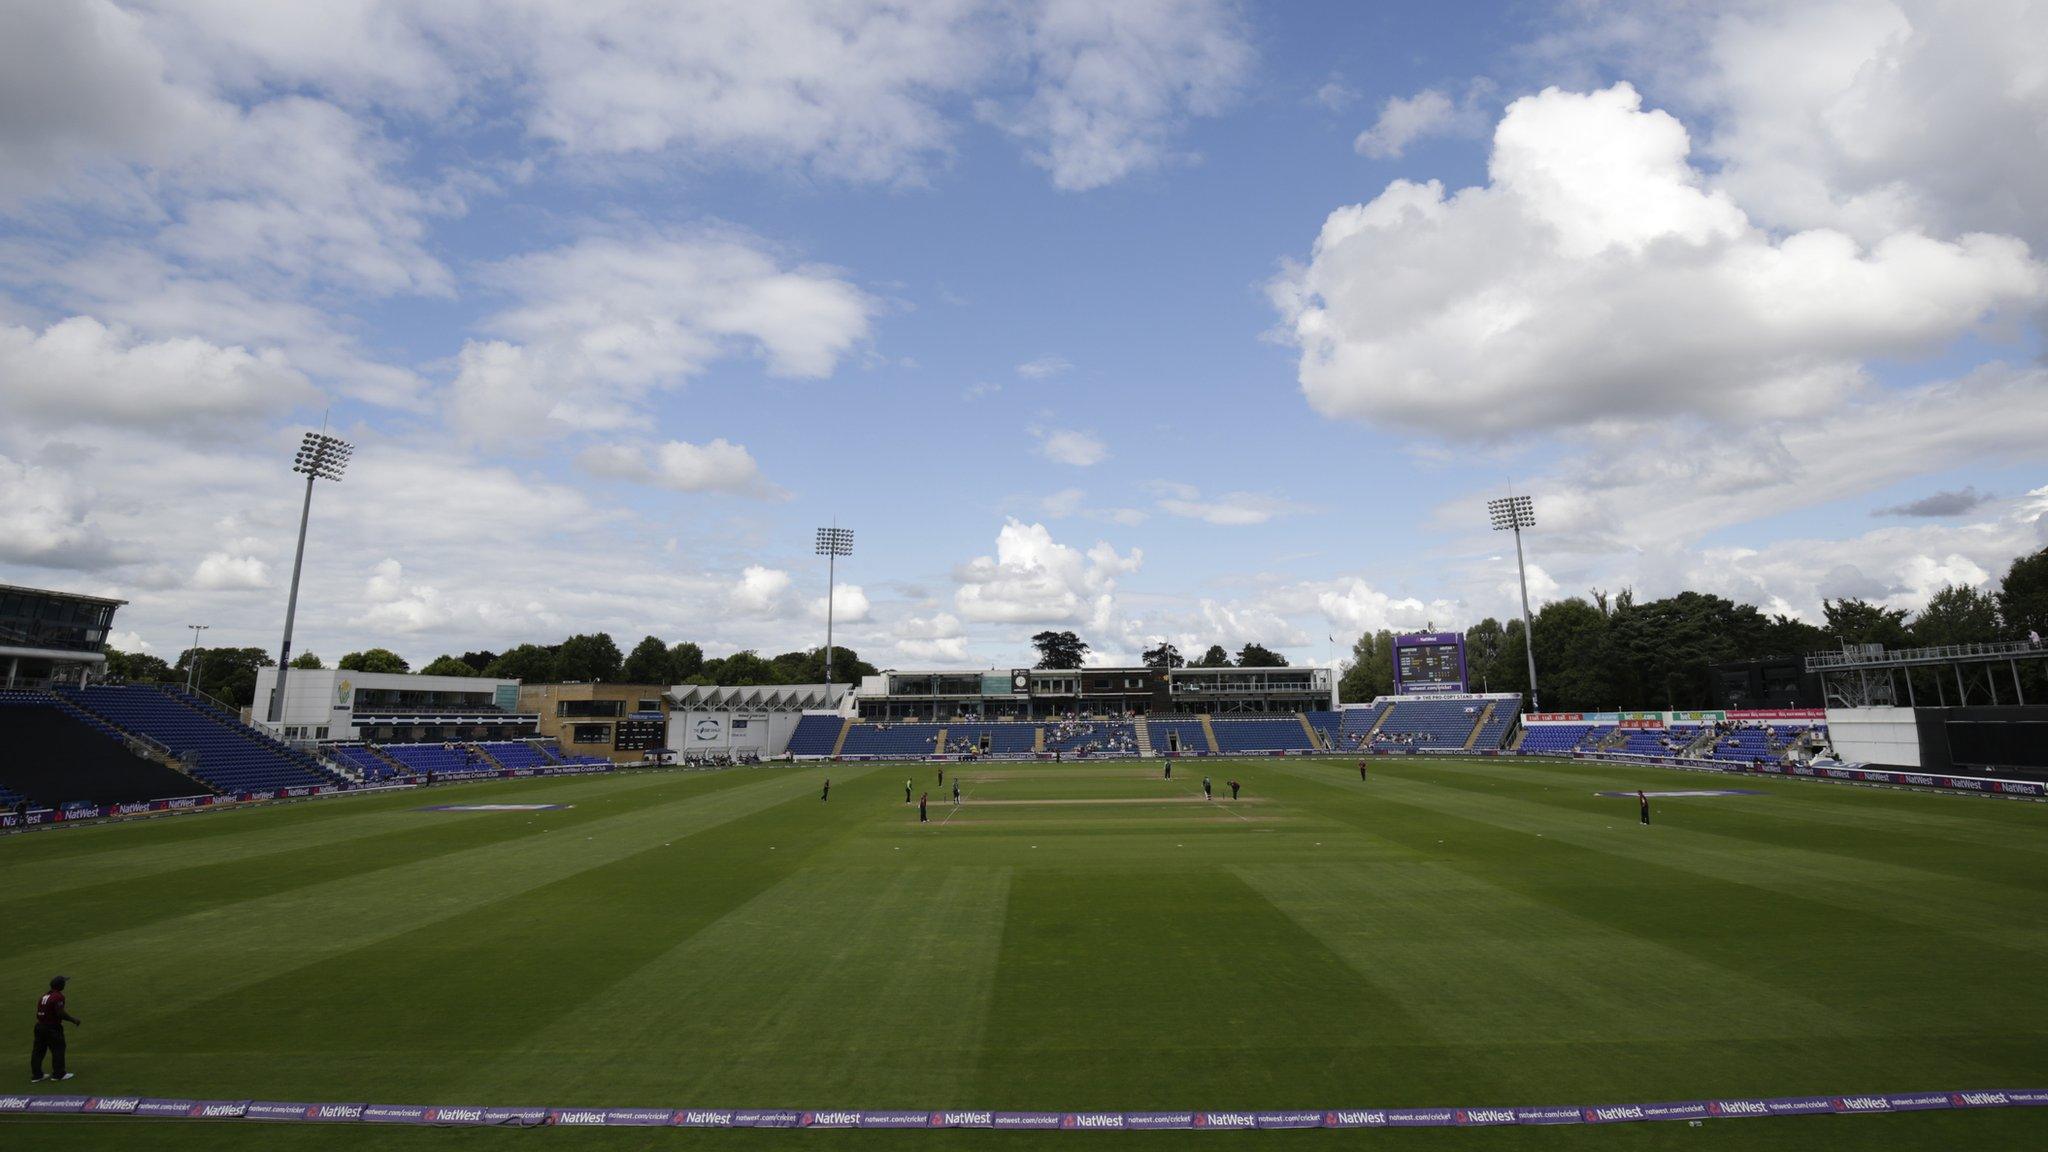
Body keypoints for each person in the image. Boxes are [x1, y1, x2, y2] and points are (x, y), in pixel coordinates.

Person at [32, 975, 80, 1083]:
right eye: (64, 983)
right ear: (60, 985)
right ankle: (58, 1074)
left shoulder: (44, 996)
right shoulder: (58, 997)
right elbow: (60, 1013)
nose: (65, 984)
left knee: (38, 1051)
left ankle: (37, 1075)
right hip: (52, 1028)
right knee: (58, 1049)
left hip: (39, 1026)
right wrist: (73, 1020)